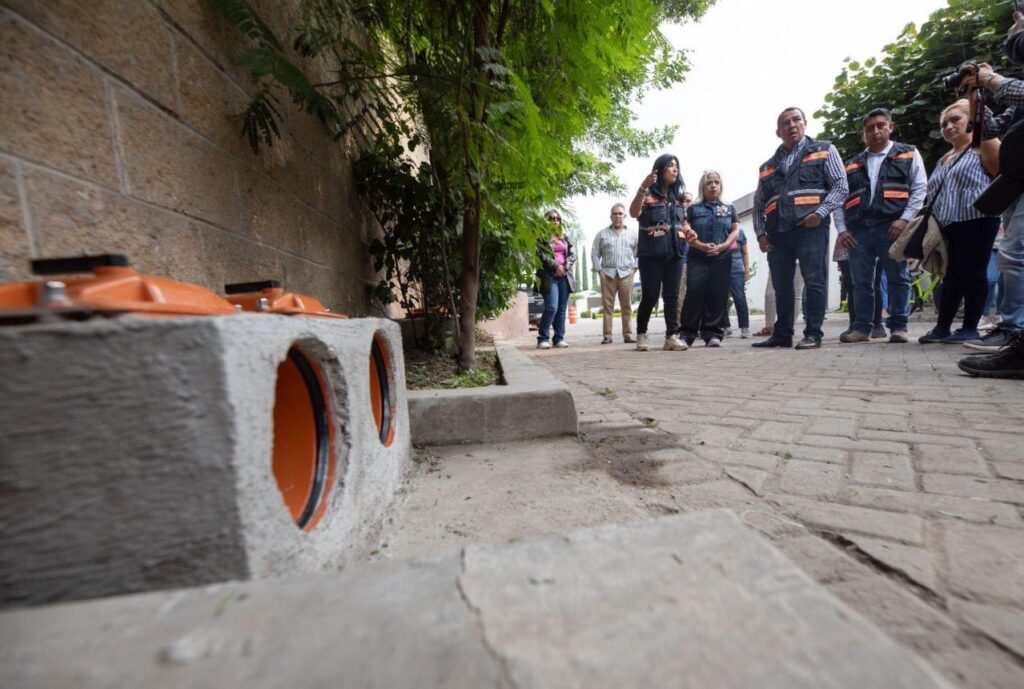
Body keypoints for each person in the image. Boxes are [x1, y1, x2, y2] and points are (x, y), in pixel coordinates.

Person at [957, 7, 1024, 378]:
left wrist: (993, 79)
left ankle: (1013, 329)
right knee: (1015, 254)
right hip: (1015, 181)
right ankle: (1015, 334)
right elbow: (992, 130)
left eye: (1018, 22)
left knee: (1014, 254)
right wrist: (976, 98)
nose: (1014, 28)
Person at [752, 107, 849, 350]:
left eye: (796, 120)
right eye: (786, 122)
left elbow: (840, 186)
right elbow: (758, 205)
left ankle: (813, 333)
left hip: (811, 228)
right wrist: (761, 234)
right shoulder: (767, 167)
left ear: (805, 123)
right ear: (778, 131)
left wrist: (820, 213)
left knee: (815, 280)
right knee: (781, 285)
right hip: (778, 234)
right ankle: (782, 334)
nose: (791, 125)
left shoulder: (824, 150)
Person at [835, 108, 927, 345]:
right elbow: (839, 199)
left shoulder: (908, 153)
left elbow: (919, 189)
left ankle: (899, 327)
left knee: (899, 277)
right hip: (859, 231)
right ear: (863, 134)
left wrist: (904, 220)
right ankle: (862, 328)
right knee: (861, 282)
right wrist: (843, 230)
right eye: (869, 128)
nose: (875, 131)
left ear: (890, 127)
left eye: (880, 125)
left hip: (893, 227)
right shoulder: (851, 164)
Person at [917, 99, 1001, 345]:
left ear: (971, 121)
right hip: (948, 225)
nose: (949, 126)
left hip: (978, 220)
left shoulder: (982, 146)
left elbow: (1000, 173)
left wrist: (975, 97)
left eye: (956, 119)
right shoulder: (945, 157)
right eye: (944, 123)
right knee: (951, 275)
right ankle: (942, 327)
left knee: (974, 273)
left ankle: (970, 327)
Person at [628, 153, 694, 351]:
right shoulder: (647, 195)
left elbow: (682, 221)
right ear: (660, 169)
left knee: (673, 296)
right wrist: (642, 187)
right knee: (650, 295)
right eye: (670, 165)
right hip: (651, 255)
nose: (675, 169)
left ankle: (671, 337)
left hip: (675, 253)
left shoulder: (679, 198)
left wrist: (689, 229)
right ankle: (641, 334)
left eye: (677, 166)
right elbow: (633, 213)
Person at [679, 171, 740, 347]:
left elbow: (735, 230)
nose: (713, 185)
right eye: (709, 183)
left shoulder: (729, 207)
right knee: (694, 293)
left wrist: (724, 245)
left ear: (721, 186)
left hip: (722, 257)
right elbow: (685, 226)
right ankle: (687, 334)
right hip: (698, 256)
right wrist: (698, 243)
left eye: (716, 182)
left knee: (717, 295)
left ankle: (713, 334)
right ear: (702, 187)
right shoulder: (694, 208)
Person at [591, 203, 638, 344]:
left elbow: (639, 254)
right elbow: (594, 252)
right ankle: (607, 336)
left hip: (626, 274)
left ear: (625, 216)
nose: (618, 216)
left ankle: (628, 335)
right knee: (607, 307)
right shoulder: (602, 234)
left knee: (627, 306)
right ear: (611, 216)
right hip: (608, 275)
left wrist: (634, 270)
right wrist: (600, 271)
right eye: (615, 213)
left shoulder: (633, 234)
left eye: (620, 213)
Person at [535, 209, 576, 349]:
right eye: (551, 218)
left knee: (562, 309)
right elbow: (540, 255)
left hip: (564, 276)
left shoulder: (565, 237)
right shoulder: (541, 238)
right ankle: (542, 338)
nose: (554, 221)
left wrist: (564, 267)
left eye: (557, 218)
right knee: (552, 307)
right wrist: (555, 266)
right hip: (549, 276)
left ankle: (558, 338)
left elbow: (572, 255)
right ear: (545, 221)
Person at [722, 227, 751, 338]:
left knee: (739, 297)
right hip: (720, 269)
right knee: (720, 298)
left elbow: (745, 252)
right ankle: (726, 327)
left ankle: (744, 328)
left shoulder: (740, 232)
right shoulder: (718, 229)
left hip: (737, 270)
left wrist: (746, 270)